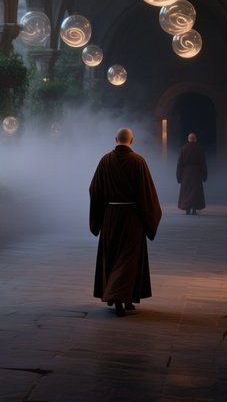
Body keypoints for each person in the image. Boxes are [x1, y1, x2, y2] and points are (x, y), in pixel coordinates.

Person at [89, 127, 163, 317]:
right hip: (132, 218)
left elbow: (94, 190)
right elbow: (147, 193)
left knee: (113, 257)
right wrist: (150, 217)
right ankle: (121, 299)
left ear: (116, 139)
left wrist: (99, 217)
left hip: (111, 216)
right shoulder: (139, 161)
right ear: (132, 140)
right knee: (129, 259)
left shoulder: (105, 161)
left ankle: (125, 299)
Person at [176, 132, 208, 215]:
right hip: (196, 173)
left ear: (188, 139)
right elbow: (203, 163)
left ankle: (187, 208)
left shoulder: (183, 149)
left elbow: (179, 164)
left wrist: (178, 176)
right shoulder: (199, 149)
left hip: (186, 173)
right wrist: (204, 176)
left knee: (186, 191)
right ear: (195, 139)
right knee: (195, 191)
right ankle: (194, 208)